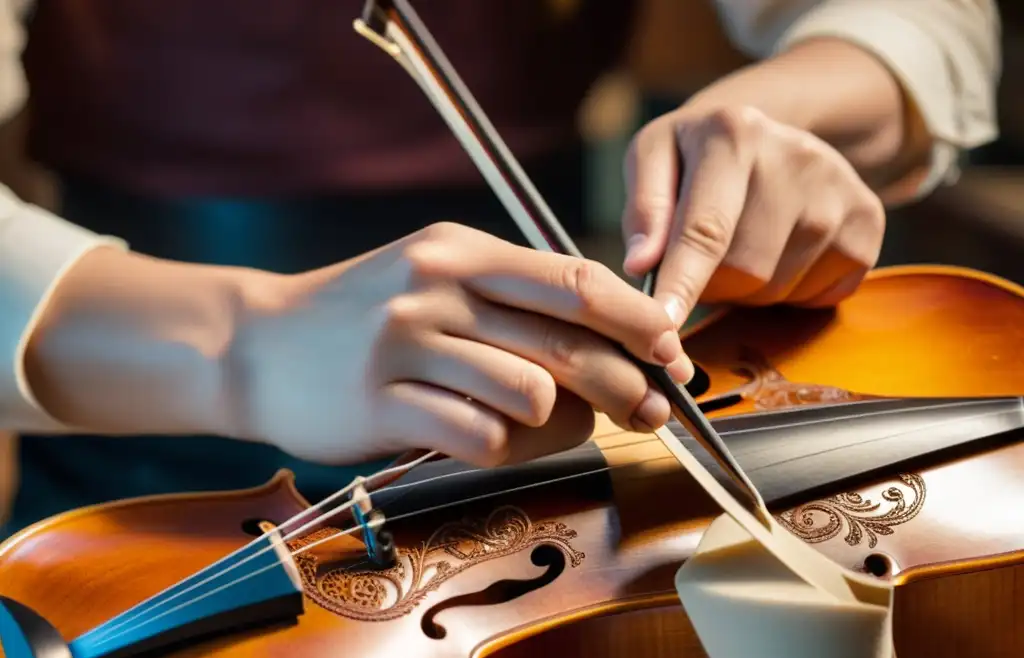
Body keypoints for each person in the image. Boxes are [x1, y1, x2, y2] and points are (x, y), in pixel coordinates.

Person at [0, 0, 1001, 533]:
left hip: (558, 421)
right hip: (129, 418)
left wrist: (789, 115)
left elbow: (914, 19)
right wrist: (242, 345)